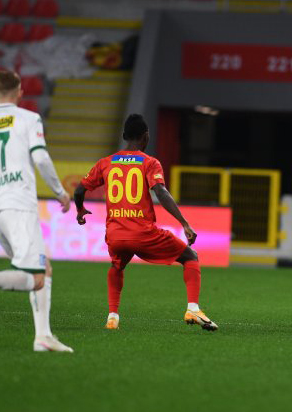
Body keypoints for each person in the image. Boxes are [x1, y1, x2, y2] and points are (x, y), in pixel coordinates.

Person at [73, 114, 218, 331]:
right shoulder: (149, 163)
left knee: (117, 266)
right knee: (190, 257)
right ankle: (193, 309)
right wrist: (184, 223)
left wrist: (80, 210)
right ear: (146, 136)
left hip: (115, 235)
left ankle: (112, 317)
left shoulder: (105, 162)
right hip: (143, 234)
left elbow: (79, 190)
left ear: (124, 135)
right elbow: (160, 192)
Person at [0, 70, 73, 352]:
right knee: (37, 277)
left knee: (44, 268)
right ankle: (43, 336)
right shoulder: (28, 119)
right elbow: (41, 158)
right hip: (17, 204)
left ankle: (43, 336)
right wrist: (59, 192)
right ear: (20, 92)